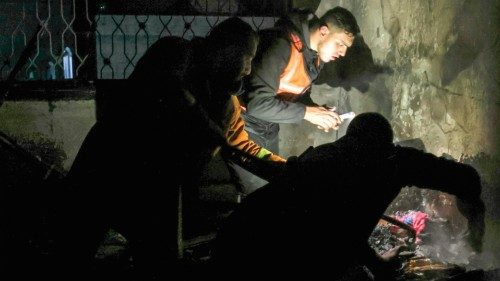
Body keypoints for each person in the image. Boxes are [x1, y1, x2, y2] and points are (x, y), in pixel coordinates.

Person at [56, 17, 284, 280]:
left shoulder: (227, 103)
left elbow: (241, 146)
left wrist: (280, 166)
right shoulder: (176, 52)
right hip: (107, 167)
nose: (248, 69)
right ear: (227, 49)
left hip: (158, 189)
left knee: (158, 264)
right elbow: (171, 90)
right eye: (248, 57)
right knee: (71, 254)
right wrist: (210, 129)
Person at [213, 112, 485, 280]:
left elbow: (337, 225)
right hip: (264, 255)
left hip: (233, 237)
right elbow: (340, 231)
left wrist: (474, 213)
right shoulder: (385, 161)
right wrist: (379, 265)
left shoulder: (324, 156)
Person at [230, 7, 360, 193]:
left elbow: (295, 91)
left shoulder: (315, 57)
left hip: (269, 128)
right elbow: (256, 104)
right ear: (324, 31)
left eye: (346, 48)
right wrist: (308, 113)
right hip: (243, 128)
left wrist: (316, 110)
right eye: (340, 44)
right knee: (258, 192)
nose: (343, 53)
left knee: (271, 184)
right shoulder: (281, 46)